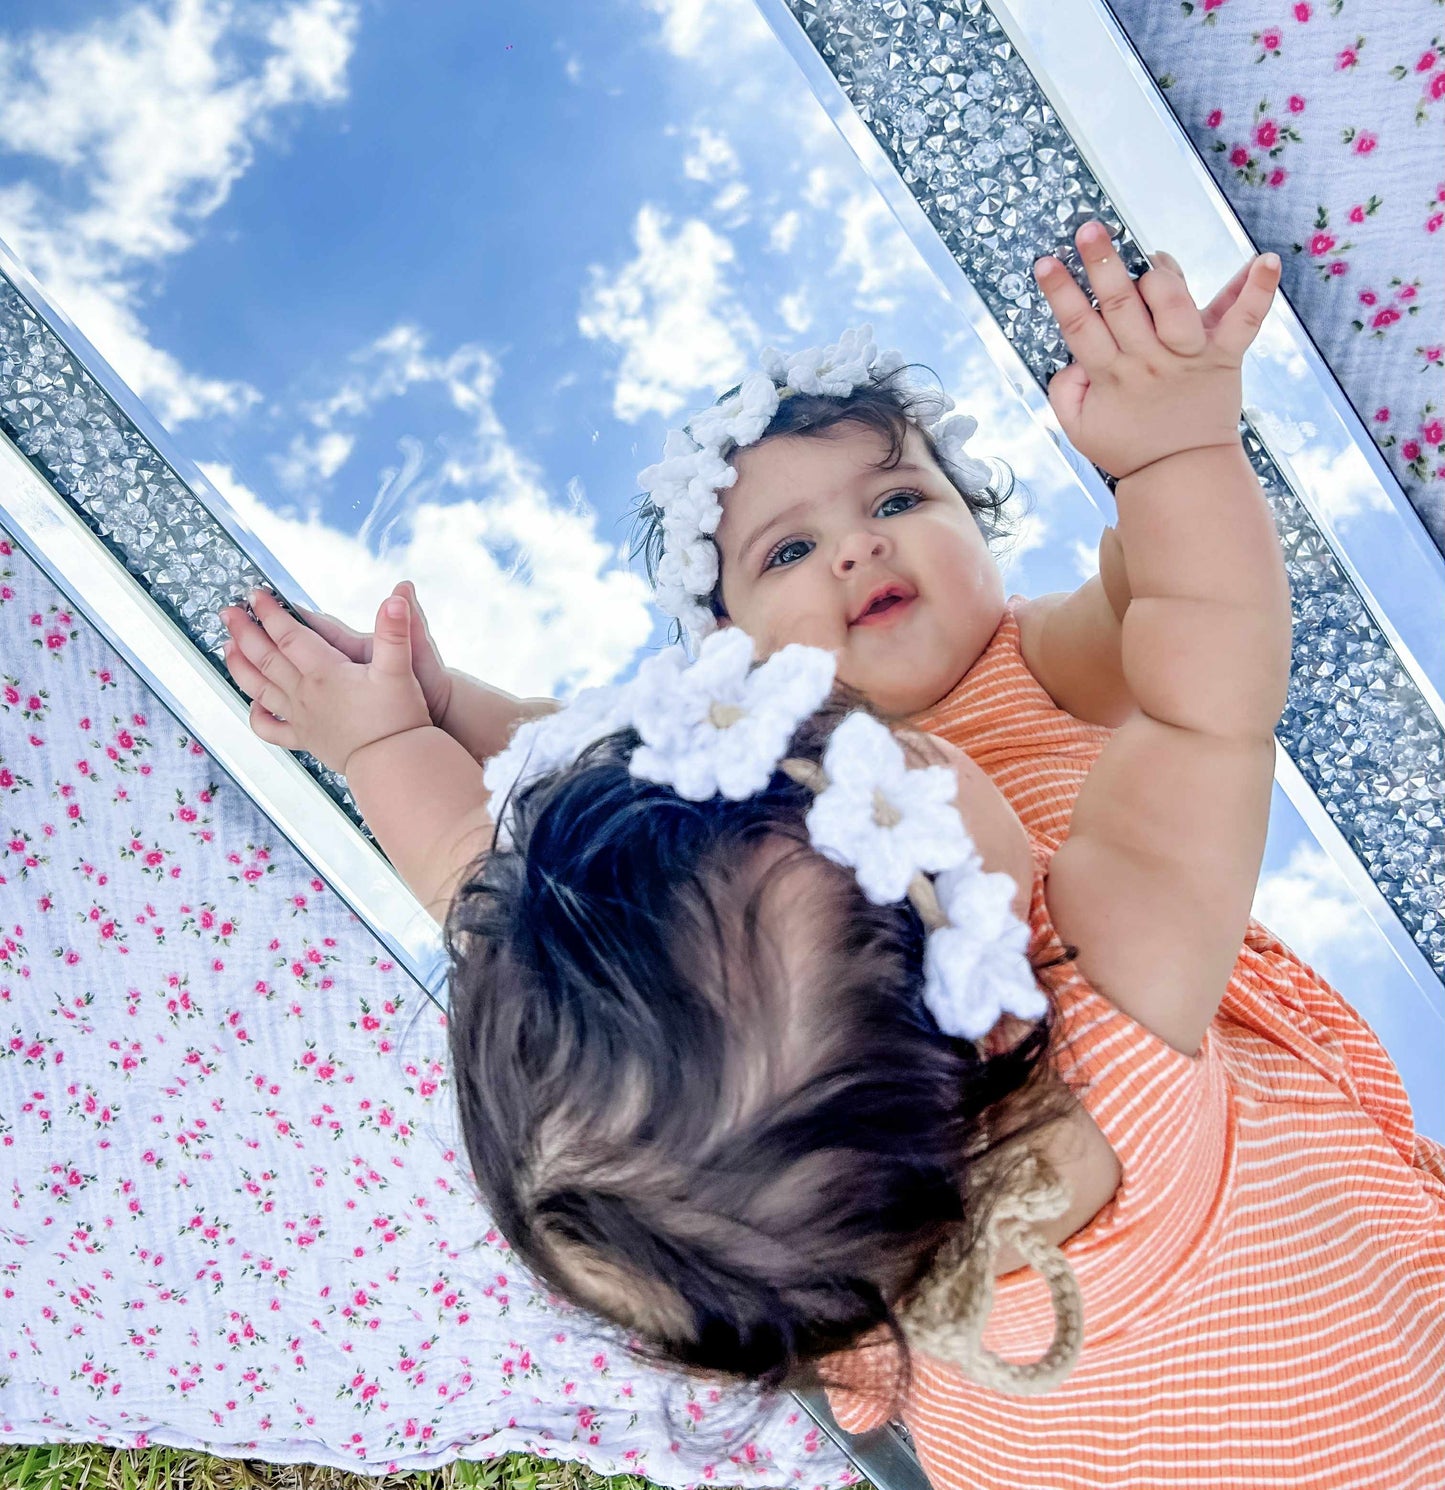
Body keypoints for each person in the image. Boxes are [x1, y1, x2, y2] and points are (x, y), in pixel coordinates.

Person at [216, 221, 1444, 1487]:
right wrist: (1171, 452)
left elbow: (489, 870)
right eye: (787, 552)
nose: (857, 547)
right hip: (1382, 1372)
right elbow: (1201, 686)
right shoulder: (1105, 1008)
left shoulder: (839, 1291)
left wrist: (401, 731)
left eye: (900, 500)